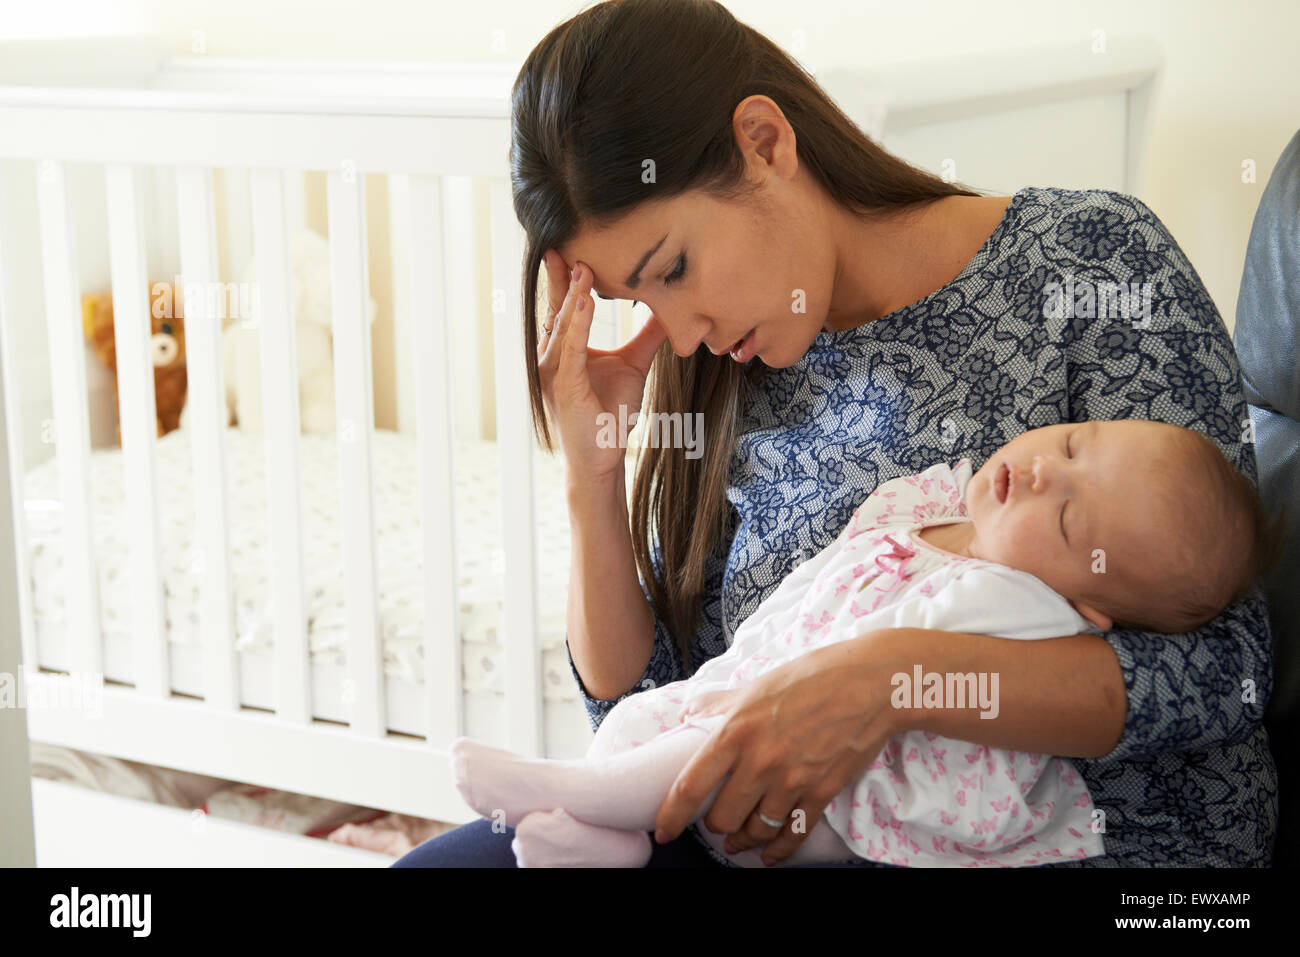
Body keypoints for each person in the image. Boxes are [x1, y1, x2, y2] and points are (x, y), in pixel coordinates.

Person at [393, 0, 1277, 868]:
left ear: (765, 142)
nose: (682, 330)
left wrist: (892, 682)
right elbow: (653, 717)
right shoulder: (729, 370)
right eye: (641, 298)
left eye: (675, 268)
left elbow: (1222, 669)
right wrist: (593, 479)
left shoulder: (1090, 260)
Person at [446, 420, 1279, 867]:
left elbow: (1231, 663)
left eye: (1066, 520)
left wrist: (858, 679)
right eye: (1069, 442)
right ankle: (601, 838)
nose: (1043, 473)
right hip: (754, 697)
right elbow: (818, 583)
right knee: (641, 720)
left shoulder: (1030, 605)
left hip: (849, 799)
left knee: (703, 746)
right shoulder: (934, 501)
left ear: (1091, 602)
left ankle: (573, 793)